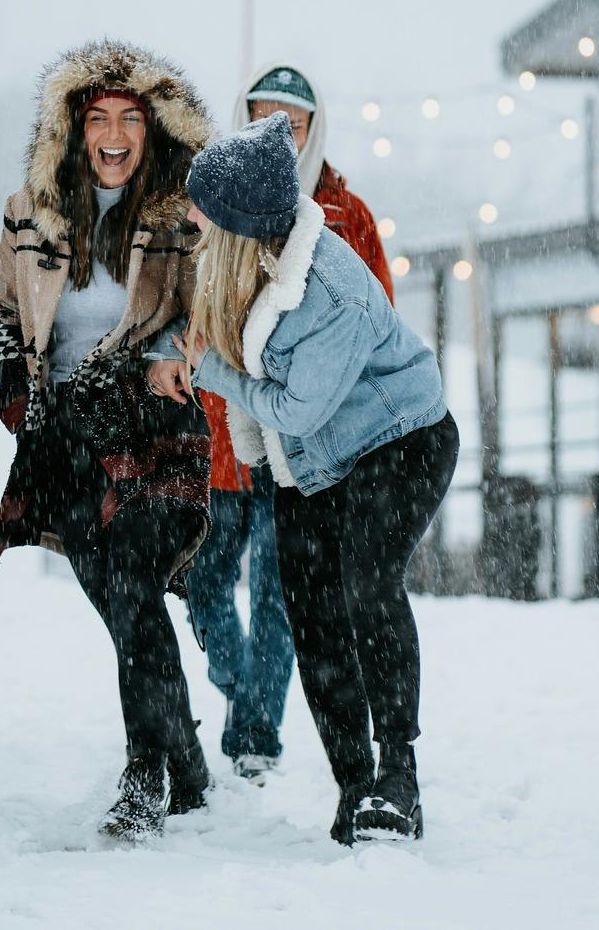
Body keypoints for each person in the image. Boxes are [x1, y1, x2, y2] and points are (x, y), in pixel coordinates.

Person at [178, 113, 456, 844]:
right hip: (310, 462)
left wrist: (212, 371)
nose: (191, 219)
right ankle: (354, 785)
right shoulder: (235, 263)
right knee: (312, 616)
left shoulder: (329, 289)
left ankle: (398, 776)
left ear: (240, 218)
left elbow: (297, 408)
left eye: (203, 208)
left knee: (366, 581)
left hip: (402, 438)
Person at [0, 39, 215, 841]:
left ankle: (144, 774)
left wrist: (162, 355)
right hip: (68, 444)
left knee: (130, 585)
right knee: (130, 609)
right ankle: (186, 759)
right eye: (98, 119)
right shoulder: (28, 211)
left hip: (153, 430)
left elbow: (206, 312)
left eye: (130, 119)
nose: (114, 134)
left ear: (153, 131)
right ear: (73, 131)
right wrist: (17, 394)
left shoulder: (185, 216)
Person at [185, 63, 393, 783]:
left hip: (303, 443)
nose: (279, 132)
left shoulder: (346, 213)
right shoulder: (213, 197)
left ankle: (253, 732)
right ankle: (243, 682)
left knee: (278, 592)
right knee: (202, 583)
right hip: (222, 439)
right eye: (262, 116)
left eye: (293, 120)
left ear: (315, 127)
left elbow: (375, 321)